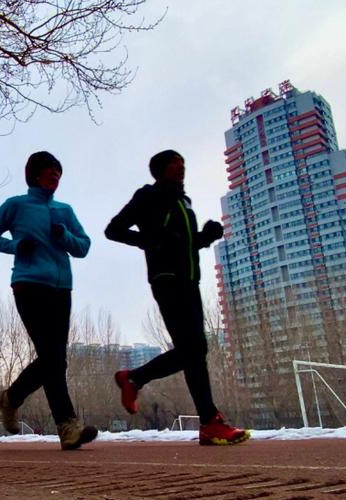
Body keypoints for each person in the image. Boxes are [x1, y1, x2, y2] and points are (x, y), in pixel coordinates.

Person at [105, 149, 250, 446]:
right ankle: (208, 420)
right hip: (166, 279)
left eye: (183, 164)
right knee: (194, 349)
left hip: (190, 280)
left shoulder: (184, 202)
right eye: (174, 164)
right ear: (159, 170)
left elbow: (184, 243)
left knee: (195, 350)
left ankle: (135, 379)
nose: (181, 168)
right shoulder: (148, 196)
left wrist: (206, 236)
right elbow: (114, 230)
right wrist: (151, 241)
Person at [0, 151, 98, 450]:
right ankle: (67, 425)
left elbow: (83, 246)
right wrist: (17, 245)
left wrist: (65, 237)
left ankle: (11, 398)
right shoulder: (16, 205)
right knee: (53, 358)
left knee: (55, 358)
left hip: (61, 289)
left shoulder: (65, 210)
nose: (56, 177)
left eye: (59, 173)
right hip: (28, 285)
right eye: (50, 172)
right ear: (34, 175)